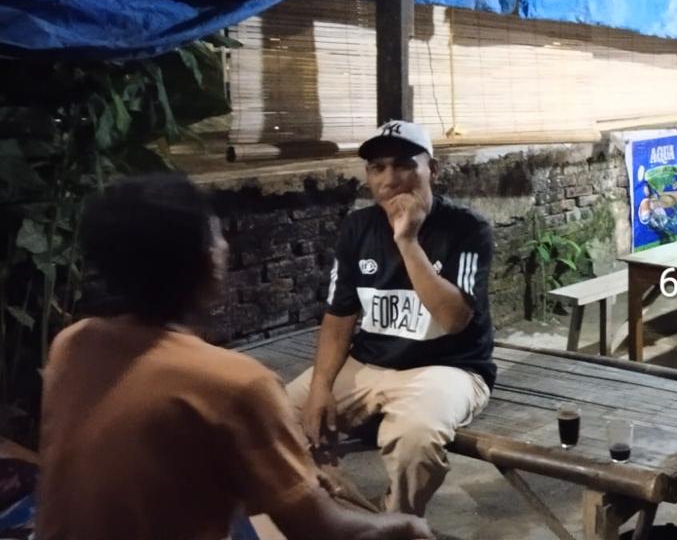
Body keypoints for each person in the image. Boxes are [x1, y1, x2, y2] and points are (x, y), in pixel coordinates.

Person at [38, 174, 432, 540]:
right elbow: (321, 530)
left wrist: (279, 477)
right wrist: (403, 524)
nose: (225, 245)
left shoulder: (72, 345)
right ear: (206, 261)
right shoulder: (235, 383)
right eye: (217, 235)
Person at [288, 120, 495, 518]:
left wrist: (408, 241)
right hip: (369, 362)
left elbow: (454, 319)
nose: (389, 179)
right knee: (275, 417)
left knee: (415, 440)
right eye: (377, 168)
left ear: (432, 170)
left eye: (403, 165)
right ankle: (347, 514)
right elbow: (339, 317)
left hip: (448, 368)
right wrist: (320, 386)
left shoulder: (467, 228)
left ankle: (399, 523)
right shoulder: (358, 227)